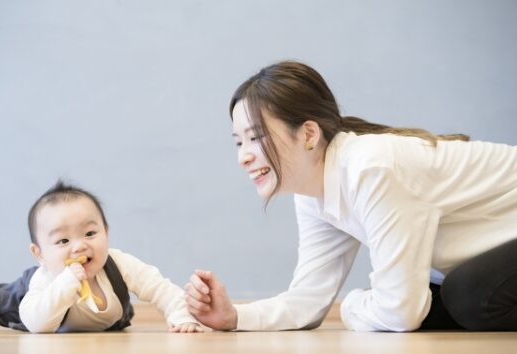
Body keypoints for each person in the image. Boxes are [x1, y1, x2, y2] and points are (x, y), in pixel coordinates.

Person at [185, 60, 517, 332]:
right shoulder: (314, 192)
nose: (243, 156)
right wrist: (234, 317)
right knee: (436, 301)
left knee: (468, 296)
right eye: (238, 142)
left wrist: (352, 306)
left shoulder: (370, 168)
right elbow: (308, 300)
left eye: (256, 138)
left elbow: (400, 313)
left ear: (309, 134)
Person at [0, 180, 202, 333]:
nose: (79, 246)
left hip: (101, 317)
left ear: (106, 231)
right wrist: (66, 283)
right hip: (37, 302)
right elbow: (39, 325)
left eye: (90, 234)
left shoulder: (117, 263)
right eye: (63, 240)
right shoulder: (44, 279)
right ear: (38, 253)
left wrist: (181, 317)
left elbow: (159, 286)